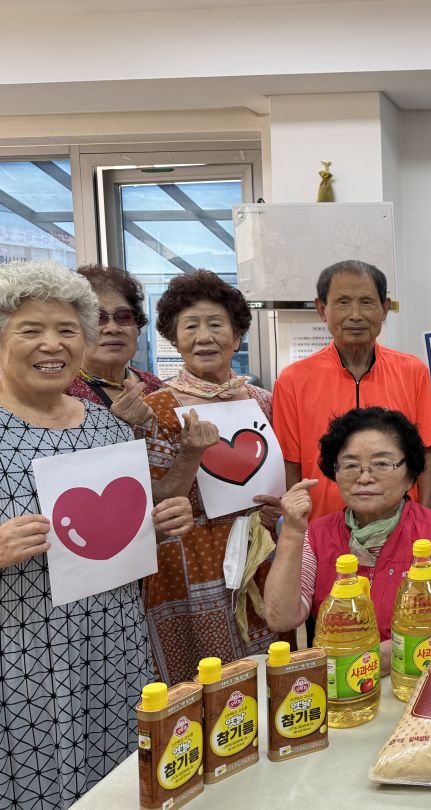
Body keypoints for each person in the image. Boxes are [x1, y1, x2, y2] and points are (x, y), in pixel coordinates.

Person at [0, 260, 194, 809]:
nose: (51, 345)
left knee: (117, 783)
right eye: (30, 330)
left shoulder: (104, 424)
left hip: (113, 642)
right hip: (21, 655)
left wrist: (157, 526)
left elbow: (113, 534)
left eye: (66, 331)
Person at [139, 270, 286, 684]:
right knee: (197, 684)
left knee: (266, 667)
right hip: (187, 559)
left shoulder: (264, 401)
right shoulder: (157, 408)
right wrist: (190, 452)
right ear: (175, 338)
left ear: (237, 337)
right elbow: (152, 498)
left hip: (259, 550)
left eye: (216, 324)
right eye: (191, 326)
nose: (204, 336)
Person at [263, 407, 431, 673]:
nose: (364, 477)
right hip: (343, 696)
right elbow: (281, 618)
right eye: (350, 465)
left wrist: (350, 665)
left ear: (410, 475)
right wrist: (291, 533)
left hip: (417, 679)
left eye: (382, 464)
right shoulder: (317, 533)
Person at [273, 260, 431, 521]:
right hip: (323, 529)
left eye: (367, 302)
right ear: (322, 309)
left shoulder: (413, 371)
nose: (355, 314)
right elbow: (290, 464)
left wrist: (425, 521)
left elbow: (428, 454)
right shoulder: (293, 380)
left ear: (384, 309)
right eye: (342, 302)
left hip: (402, 527)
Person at [64, 263, 163, 427]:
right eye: (97, 318)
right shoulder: (61, 391)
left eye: (123, 316)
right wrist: (117, 426)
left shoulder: (153, 385)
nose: (113, 328)